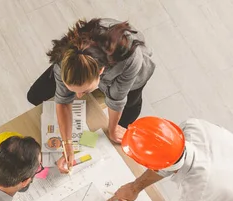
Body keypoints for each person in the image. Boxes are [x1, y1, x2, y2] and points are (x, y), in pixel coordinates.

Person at [27, 18, 155, 173]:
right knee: (36, 95)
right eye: (73, 90)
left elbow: (116, 99)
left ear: (101, 72)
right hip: (92, 63)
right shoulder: (63, 58)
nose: (78, 96)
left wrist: (113, 129)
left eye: (84, 91)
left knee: (127, 113)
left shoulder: (130, 59)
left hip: (132, 73)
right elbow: (62, 100)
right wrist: (68, 144)